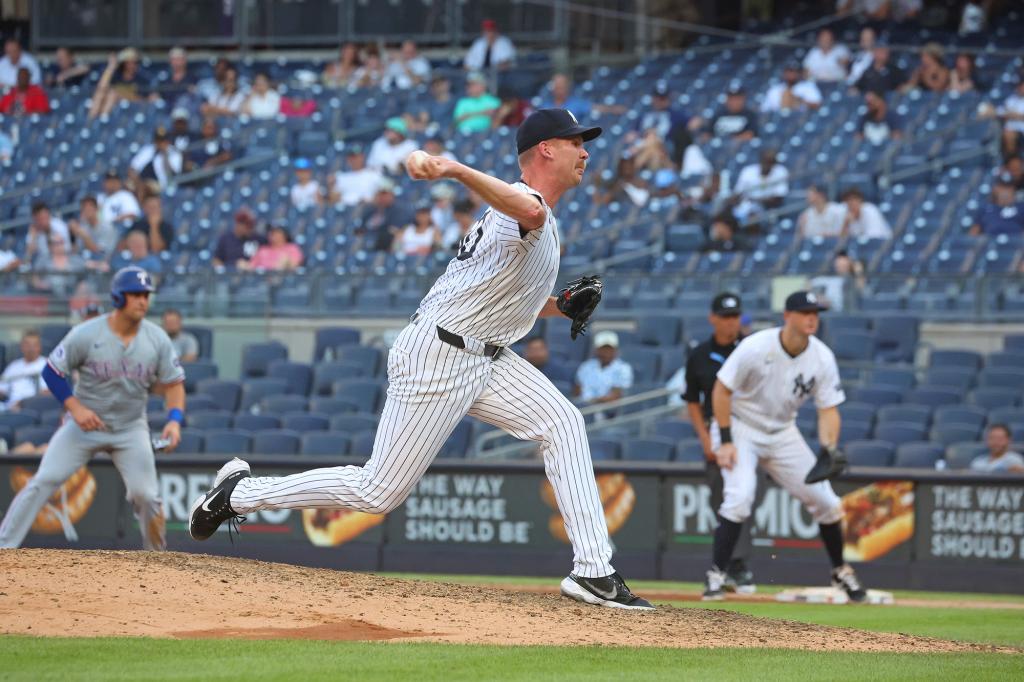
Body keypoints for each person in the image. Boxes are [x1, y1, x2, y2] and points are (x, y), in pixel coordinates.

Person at [188, 107, 653, 611]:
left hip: (486, 355)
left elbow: (499, 294)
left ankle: (593, 571)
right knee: (379, 490)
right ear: (546, 149)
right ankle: (239, 494)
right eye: (576, 142)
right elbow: (528, 209)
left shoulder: (532, 216)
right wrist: (453, 168)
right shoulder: (524, 209)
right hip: (439, 355)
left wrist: (559, 307)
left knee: (563, 422)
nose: (585, 151)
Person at [0, 267, 185, 551]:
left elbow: (174, 384)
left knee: (146, 496)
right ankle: (4, 548)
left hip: (130, 427)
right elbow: (51, 372)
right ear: (117, 297)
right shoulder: (87, 333)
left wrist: (174, 420)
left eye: (146, 295)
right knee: (43, 481)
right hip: (83, 426)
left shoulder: (157, 339)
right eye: (135, 294)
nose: (142, 301)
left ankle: (157, 561)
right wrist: (75, 408)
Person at [703, 290, 867, 602]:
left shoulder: (822, 357)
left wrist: (829, 447)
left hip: (782, 432)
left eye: (815, 313)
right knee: (740, 497)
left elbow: (828, 409)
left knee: (829, 503)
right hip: (741, 426)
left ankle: (840, 571)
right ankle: (716, 573)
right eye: (805, 312)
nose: (812, 318)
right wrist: (724, 442)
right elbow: (721, 390)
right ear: (787, 316)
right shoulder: (755, 347)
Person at [682, 293, 757, 593]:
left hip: (750, 432)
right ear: (713, 318)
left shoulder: (751, 350)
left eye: (735, 316)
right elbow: (692, 401)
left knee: (744, 497)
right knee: (721, 500)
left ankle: (736, 567)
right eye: (726, 316)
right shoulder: (700, 355)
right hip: (716, 432)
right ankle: (733, 568)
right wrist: (704, 438)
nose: (731, 322)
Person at [574, 331, 634, 408]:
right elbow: (576, 391)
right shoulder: (586, 366)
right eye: (603, 349)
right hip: (582, 408)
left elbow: (615, 397)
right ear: (596, 350)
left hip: (605, 412)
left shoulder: (623, 369)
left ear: (615, 350)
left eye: (609, 349)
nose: (606, 352)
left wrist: (591, 402)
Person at [89, 48, 147, 119]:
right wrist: (111, 67)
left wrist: (122, 95)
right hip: (113, 103)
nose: (132, 65)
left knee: (113, 94)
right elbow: (102, 86)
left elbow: (144, 99)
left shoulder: (141, 77)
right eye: (129, 62)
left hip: (131, 105)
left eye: (135, 62)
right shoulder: (117, 75)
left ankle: (101, 120)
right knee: (100, 93)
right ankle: (92, 120)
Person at [733, 149, 788, 218]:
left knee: (753, 216)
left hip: (767, 209)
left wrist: (755, 200)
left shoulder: (781, 171)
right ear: (760, 160)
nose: (767, 164)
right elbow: (738, 193)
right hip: (745, 207)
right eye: (765, 161)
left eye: (770, 162)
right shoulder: (748, 171)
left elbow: (778, 198)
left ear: (774, 163)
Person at [0, 330, 47, 411]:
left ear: (40, 347)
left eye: (34, 345)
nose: (31, 348)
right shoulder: (14, 366)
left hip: (31, 408)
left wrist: (23, 403)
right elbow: (2, 390)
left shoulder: (47, 365)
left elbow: (48, 393)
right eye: (27, 345)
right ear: (21, 347)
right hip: (9, 406)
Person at [357, 178, 408, 252]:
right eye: (380, 193)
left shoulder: (399, 211)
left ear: (391, 194)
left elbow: (393, 231)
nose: (382, 197)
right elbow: (360, 230)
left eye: (385, 194)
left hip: (384, 246)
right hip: (366, 244)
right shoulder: (370, 211)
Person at [128, 128, 183, 192]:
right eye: (158, 140)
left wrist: (165, 155)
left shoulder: (174, 153)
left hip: (161, 185)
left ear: (168, 141)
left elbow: (173, 174)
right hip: (140, 181)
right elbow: (132, 168)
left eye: (163, 140)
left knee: (148, 188)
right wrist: (138, 181)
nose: (160, 143)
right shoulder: (148, 149)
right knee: (128, 184)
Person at [24, 202, 71, 266]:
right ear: (35, 219)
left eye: (46, 217)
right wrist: (33, 238)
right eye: (40, 219)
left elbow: (67, 249)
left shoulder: (60, 226)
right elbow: (27, 259)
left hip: (61, 261)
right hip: (43, 264)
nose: (44, 221)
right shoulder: (33, 232)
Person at [994, 78, 1024, 157]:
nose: (1021, 88)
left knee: (1008, 134)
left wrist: (1011, 115)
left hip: (1021, 130)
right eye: (1020, 86)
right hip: (1009, 128)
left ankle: (1012, 158)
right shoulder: (1011, 99)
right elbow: (1001, 112)